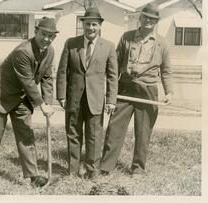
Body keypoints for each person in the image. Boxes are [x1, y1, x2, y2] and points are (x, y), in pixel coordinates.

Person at [0, 17, 59, 187]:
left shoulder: (50, 51)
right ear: (36, 32)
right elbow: (28, 81)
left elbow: (46, 77)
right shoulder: (23, 51)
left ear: (54, 37)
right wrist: (40, 104)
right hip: (1, 94)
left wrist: (48, 102)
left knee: (26, 133)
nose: (46, 39)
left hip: (22, 97)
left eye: (50, 36)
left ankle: (33, 176)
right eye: (43, 34)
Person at [100, 3, 173, 177]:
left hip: (147, 90)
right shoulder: (127, 37)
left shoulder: (162, 43)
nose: (149, 21)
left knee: (143, 131)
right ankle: (106, 166)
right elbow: (115, 65)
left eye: (153, 19)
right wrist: (111, 88)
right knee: (114, 128)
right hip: (125, 87)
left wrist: (169, 92)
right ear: (140, 18)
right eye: (146, 17)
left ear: (156, 21)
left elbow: (166, 70)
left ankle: (138, 168)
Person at [56, 7, 118, 179]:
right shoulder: (71, 43)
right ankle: (73, 171)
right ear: (82, 25)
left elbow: (113, 76)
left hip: (96, 100)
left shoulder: (108, 47)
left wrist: (111, 100)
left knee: (94, 137)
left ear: (99, 26)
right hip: (73, 99)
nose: (91, 28)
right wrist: (61, 95)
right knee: (73, 134)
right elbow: (62, 72)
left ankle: (92, 171)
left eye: (94, 25)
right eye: (88, 24)